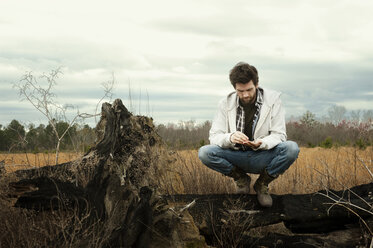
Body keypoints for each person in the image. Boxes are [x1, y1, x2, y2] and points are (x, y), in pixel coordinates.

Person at [198, 62, 300, 207]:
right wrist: (230, 137)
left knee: (291, 149)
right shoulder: (224, 104)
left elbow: (279, 135)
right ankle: (241, 179)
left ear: (257, 84)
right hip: (236, 156)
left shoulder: (273, 101)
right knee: (204, 152)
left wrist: (262, 143)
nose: (245, 95)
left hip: (263, 155)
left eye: (249, 90)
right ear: (234, 88)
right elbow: (214, 136)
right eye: (240, 91)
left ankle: (262, 184)